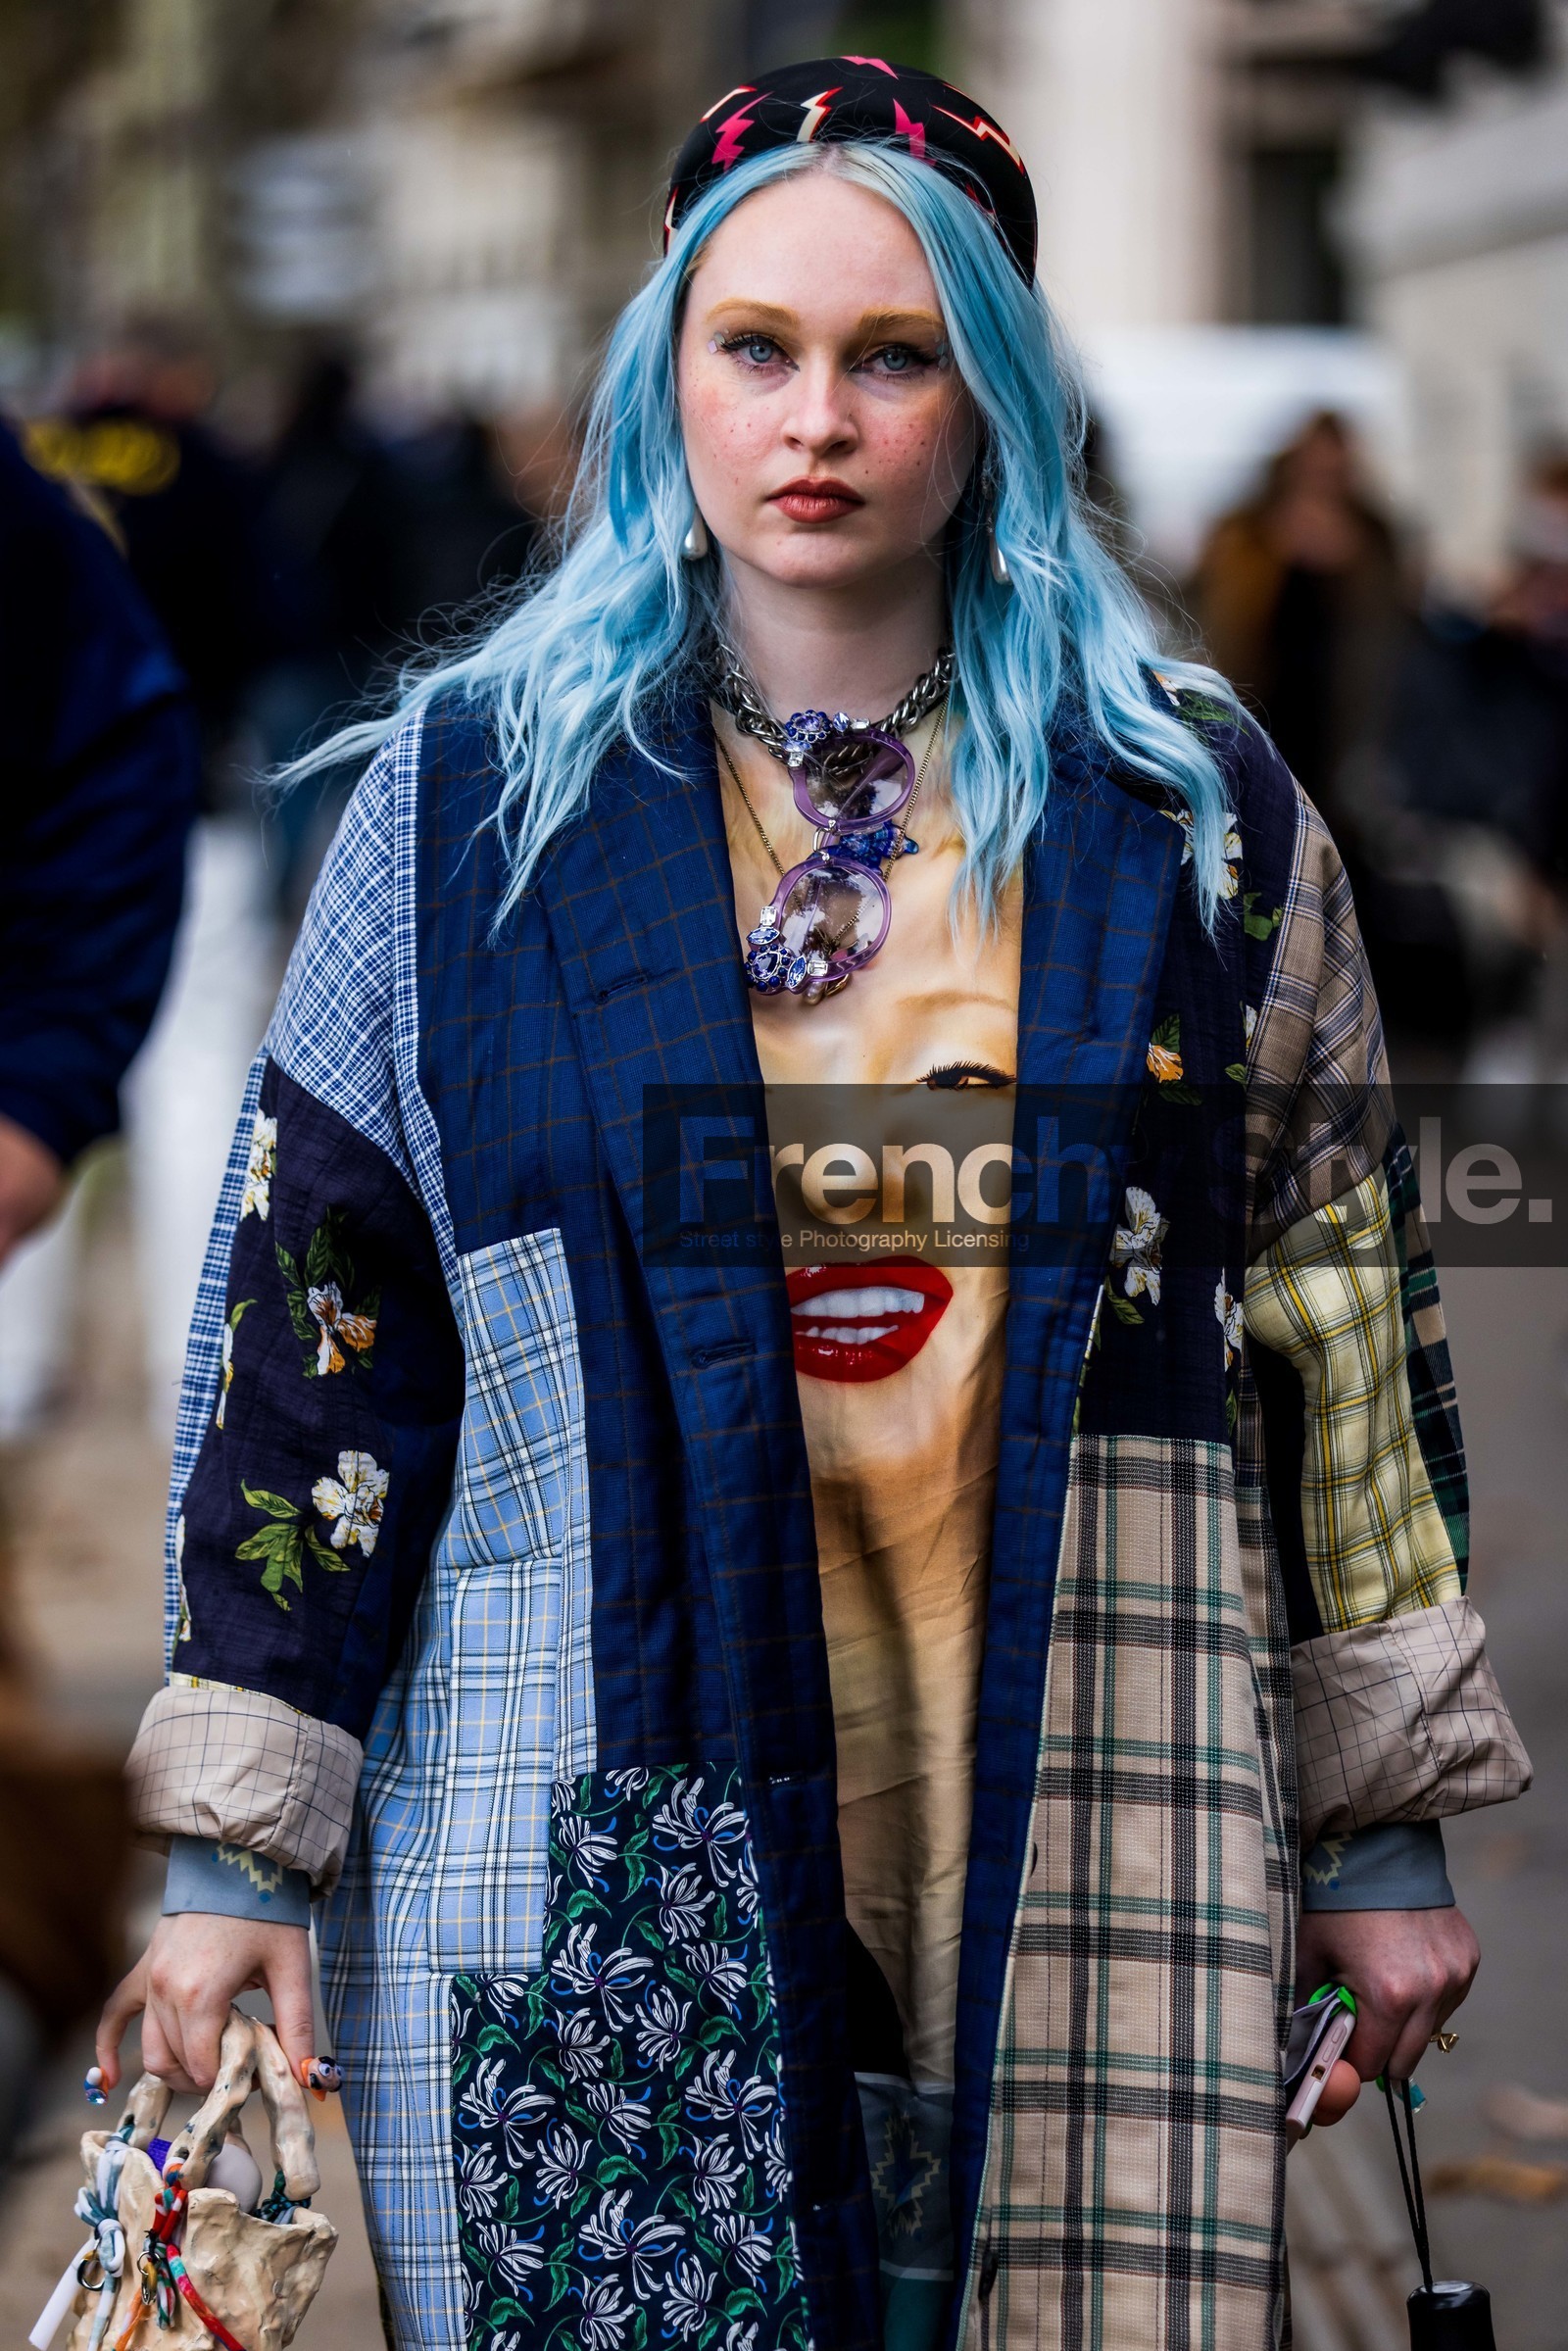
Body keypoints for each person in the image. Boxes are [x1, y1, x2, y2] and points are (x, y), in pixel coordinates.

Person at [97, 62, 1530, 2351]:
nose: (817, 418)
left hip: (1085, 1772)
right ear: (663, 377)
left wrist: (1374, 1826)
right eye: (752, 347)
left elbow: (1329, 1306)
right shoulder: (467, 814)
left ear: (994, 399)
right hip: (577, 1770)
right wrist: (234, 1847)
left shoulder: (1190, 814)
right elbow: (316, 1320)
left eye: (894, 355)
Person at [1190, 410, 1407, 843]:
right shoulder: (1249, 531)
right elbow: (1216, 613)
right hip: (1259, 703)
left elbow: (1387, 627)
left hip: (1339, 715)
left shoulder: (1373, 538)